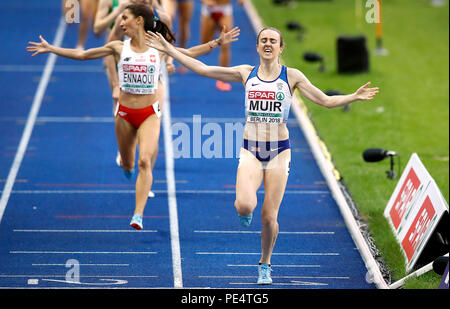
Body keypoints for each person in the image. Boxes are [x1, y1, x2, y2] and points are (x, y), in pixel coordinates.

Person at [145, 27, 379, 284]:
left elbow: (324, 101)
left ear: (281, 48)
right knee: (245, 205)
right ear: (257, 47)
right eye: (263, 40)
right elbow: (202, 69)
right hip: (251, 150)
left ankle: (265, 263)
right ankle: (244, 211)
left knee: (269, 216)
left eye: (273, 41)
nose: (268, 44)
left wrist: (353, 97)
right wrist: (169, 50)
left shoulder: (293, 77)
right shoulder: (246, 73)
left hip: (279, 153)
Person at [27, 4, 240, 231]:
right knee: (129, 163)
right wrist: (52, 49)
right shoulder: (118, 47)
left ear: (139, 20)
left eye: (124, 18)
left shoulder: (158, 47)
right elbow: (83, 55)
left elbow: (188, 54)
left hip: (149, 113)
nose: (120, 23)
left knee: (145, 161)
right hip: (125, 114)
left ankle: (138, 214)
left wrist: (217, 42)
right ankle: (127, 167)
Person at [199, 0, 243, 91]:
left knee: (226, 45)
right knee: (205, 45)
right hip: (209, 10)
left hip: (224, 9)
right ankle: (214, 34)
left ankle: (222, 80)